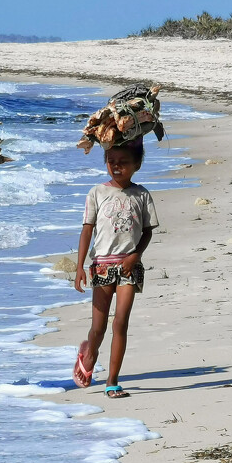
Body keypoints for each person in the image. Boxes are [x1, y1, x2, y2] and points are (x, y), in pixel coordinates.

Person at [74, 138, 158, 398]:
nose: (117, 166)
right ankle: (90, 353)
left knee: (120, 323)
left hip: (129, 267)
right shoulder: (97, 192)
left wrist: (135, 255)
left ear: (137, 165)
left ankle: (112, 381)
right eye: (111, 161)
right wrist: (79, 267)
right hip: (101, 266)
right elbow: (87, 230)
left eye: (123, 162)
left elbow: (147, 232)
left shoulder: (142, 195)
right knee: (98, 328)